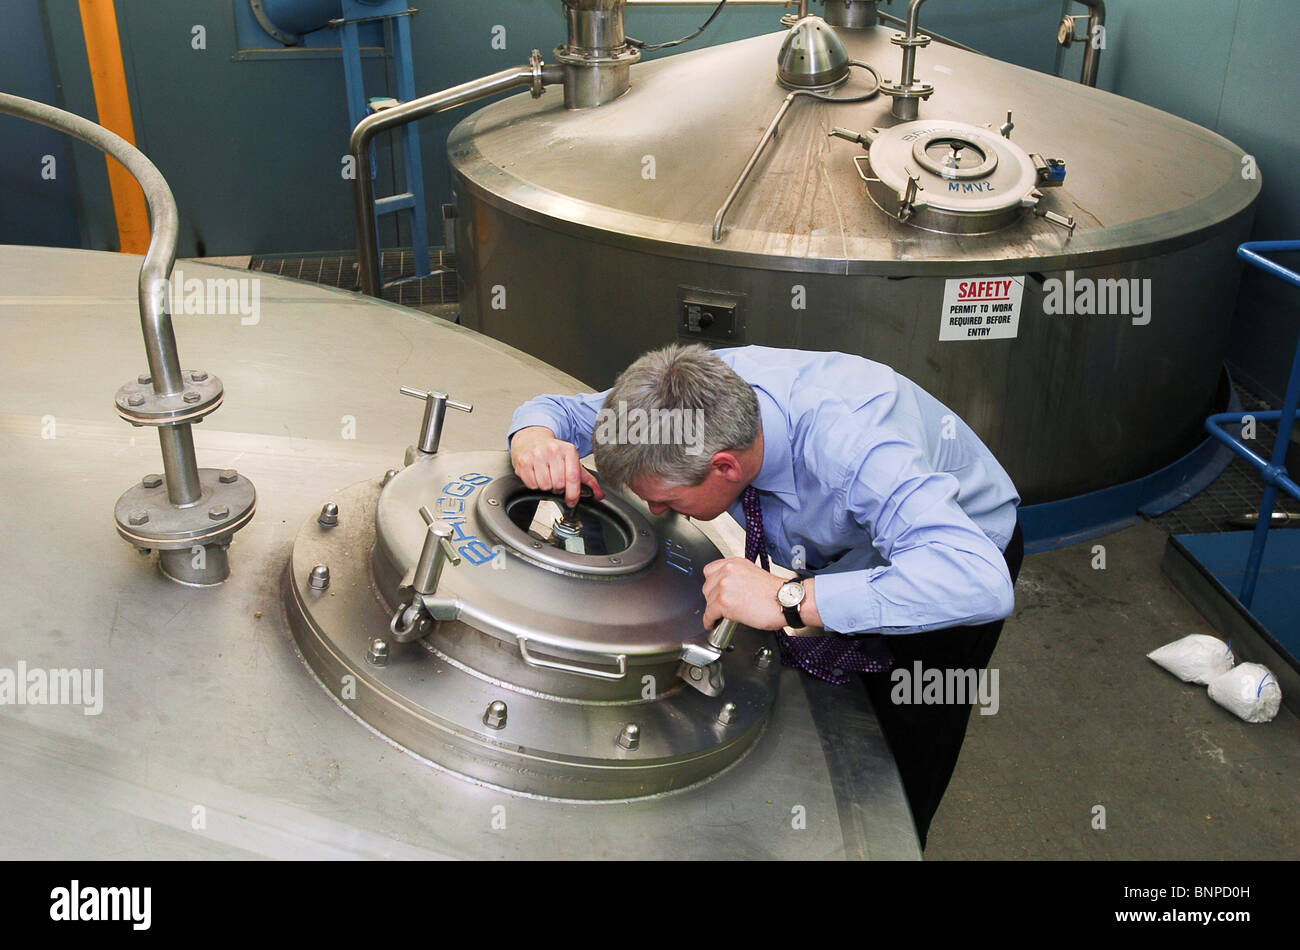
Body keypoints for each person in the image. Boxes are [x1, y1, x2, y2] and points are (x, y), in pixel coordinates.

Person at [507, 343, 1023, 849]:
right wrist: (534, 439)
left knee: (901, 744)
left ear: (725, 468)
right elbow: (557, 412)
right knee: (831, 715)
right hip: (845, 552)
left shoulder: (852, 448)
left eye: (664, 499)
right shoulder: (685, 403)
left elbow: (979, 579)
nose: (656, 512)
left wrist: (790, 600)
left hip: (951, 560)